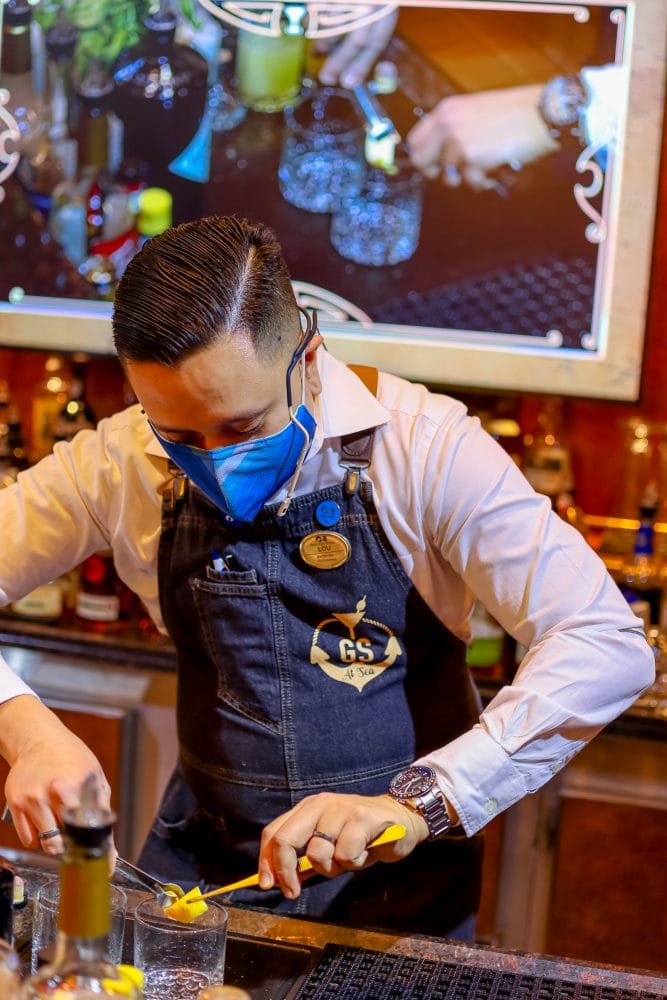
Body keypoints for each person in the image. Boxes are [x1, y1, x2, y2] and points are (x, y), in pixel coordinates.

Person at [0, 216, 653, 939]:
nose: (214, 460)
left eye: (243, 429)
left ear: (308, 359)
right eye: (180, 436)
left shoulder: (427, 447)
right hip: (203, 874)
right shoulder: (117, 460)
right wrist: (25, 730)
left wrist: (417, 803)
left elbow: (603, 639)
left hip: (392, 891)